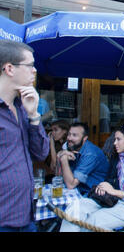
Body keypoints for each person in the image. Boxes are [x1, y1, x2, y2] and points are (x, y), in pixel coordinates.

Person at [60, 125, 124, 231]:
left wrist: (113, 191)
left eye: (118, 139)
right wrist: (104, 186)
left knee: (91, 222)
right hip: (107, 200)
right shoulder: (116, 158)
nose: (114, 143)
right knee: (74, 209)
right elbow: (109, 180)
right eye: (115, 139)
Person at [0, 40, 50, 232]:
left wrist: (34, 117)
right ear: (10, 69)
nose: (35, 70)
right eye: (29, 65)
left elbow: (40, 153)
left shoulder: (22, 107)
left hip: (26, 216)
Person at [57, 122, 110, 196]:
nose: (69, 138)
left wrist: (63, 159)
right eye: (69, 134)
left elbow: (71, 185)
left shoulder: (90, 154)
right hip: (78, 189)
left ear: (84, 138)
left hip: (93, 194)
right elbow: (58, 177)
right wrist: (60, 155)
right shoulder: (72, 146)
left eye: (74, 135)